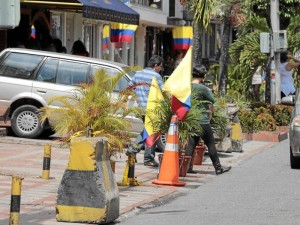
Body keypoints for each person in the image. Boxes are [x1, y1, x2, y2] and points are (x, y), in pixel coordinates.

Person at [185, 66, 231, 175]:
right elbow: (212, 99)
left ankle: (186, 168)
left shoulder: (187, 87)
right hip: (203, 120)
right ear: (203, 76)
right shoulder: (202, 88)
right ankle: (218, 168)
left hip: (192, 119)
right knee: (210, 144)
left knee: (191, 144)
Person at [127, 55, 164, 167]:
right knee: (151, 132)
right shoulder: (156, 76)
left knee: (148, 131)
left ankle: (134, 150)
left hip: (141, 108)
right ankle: (146, 157)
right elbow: (163, 92)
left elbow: (130, 87)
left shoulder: (138, 74)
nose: (161, 69)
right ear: (156, 65)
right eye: (160, 67)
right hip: (151, 108)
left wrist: (138, 94)